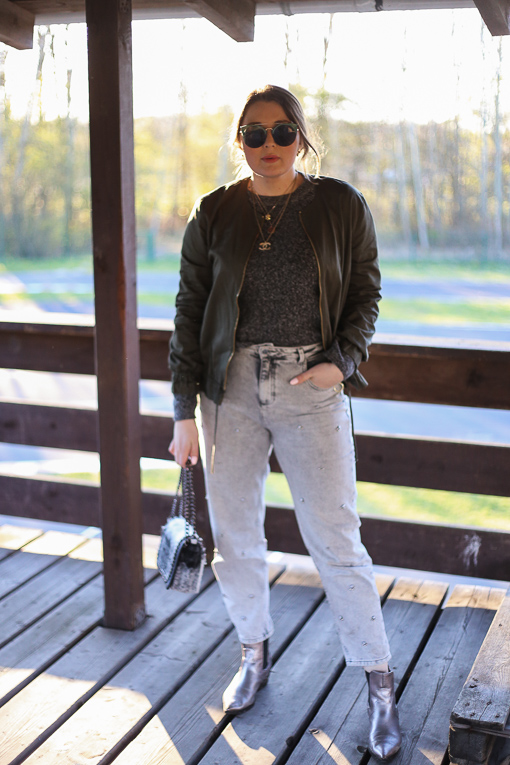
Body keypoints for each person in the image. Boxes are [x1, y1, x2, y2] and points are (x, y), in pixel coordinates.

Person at [168, 84, 401, 761]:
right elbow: (189, 310)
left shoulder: (339, 204)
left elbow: (365, 292)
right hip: (228, 391)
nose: (267, 145)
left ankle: (380, 685)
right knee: (235, 538)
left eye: (281, 132)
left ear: (301, 136)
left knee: (337, 541)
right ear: (238, 140)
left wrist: (341, 361)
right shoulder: (213, 211)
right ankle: (253, 652)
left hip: (311, 386)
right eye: (253, 133)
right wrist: (183, 411)